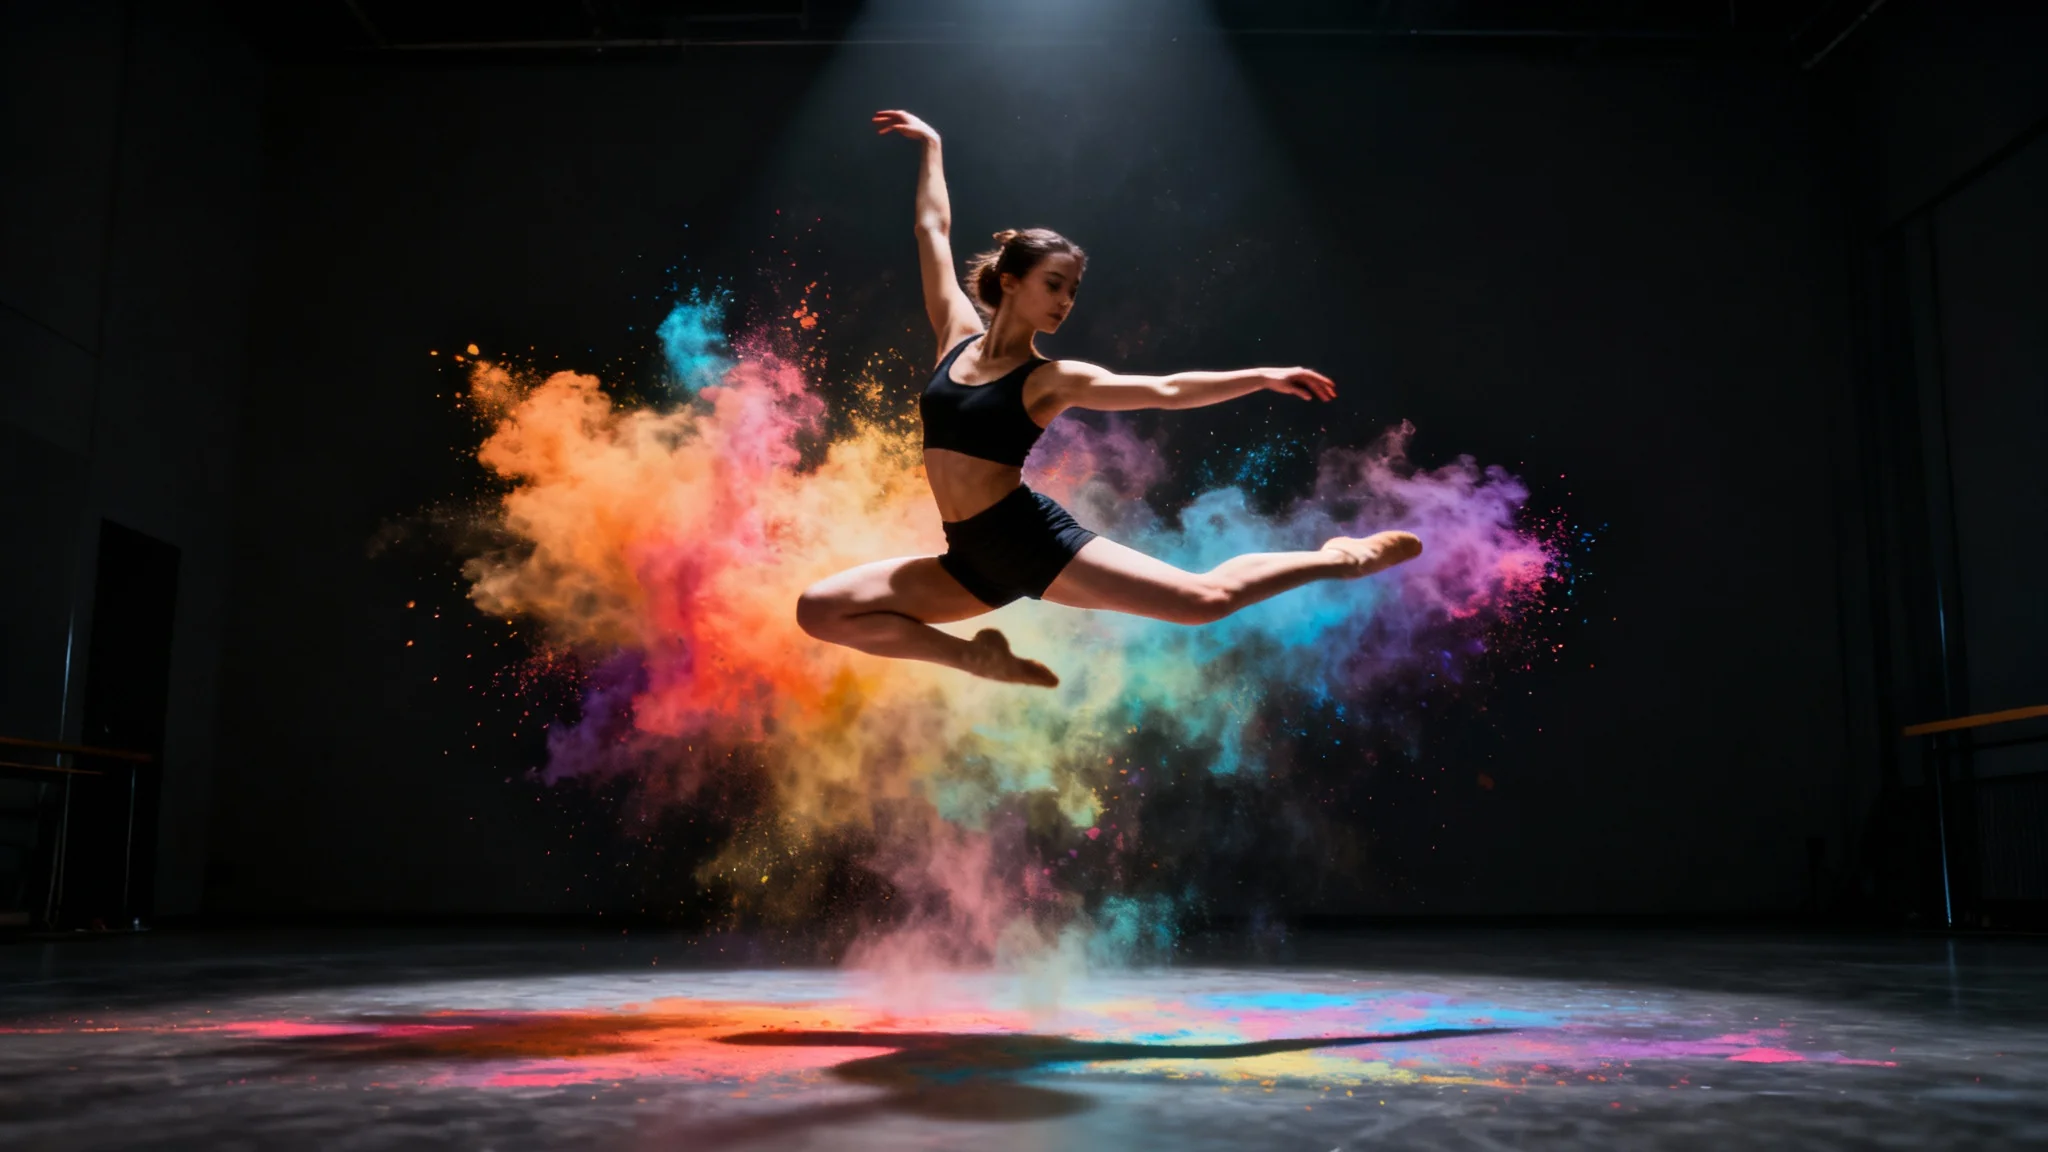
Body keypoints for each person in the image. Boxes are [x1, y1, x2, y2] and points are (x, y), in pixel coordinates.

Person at [795, 110, 1422, 687]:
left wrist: (1258, 374)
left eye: (1073, 290)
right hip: (969, 562)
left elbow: (1168, 391)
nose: (1066, 301)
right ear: (1010, 281)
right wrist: (932, 145)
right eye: (1054, 285)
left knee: (1203, 601)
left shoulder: (1050, 379)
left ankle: (1342, 558)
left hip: (1031, 542)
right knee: (820, 611)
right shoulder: (955, 336)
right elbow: (932, 228)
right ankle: (973, 657)